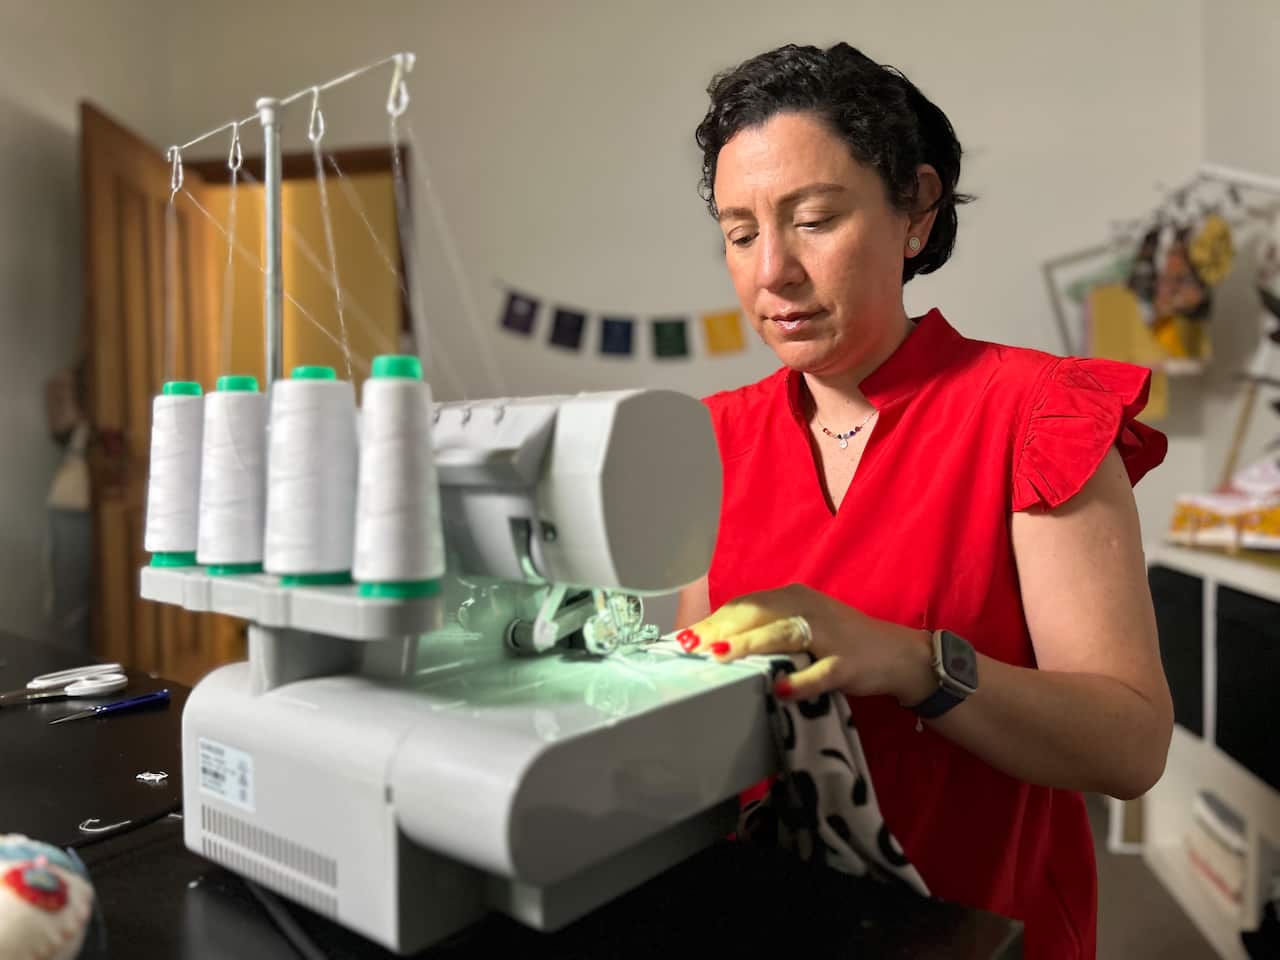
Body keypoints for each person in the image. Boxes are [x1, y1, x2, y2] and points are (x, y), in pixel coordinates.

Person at [675, 42, 1173, 960]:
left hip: (982, 929)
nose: (772, 270)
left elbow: (1129, 745)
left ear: (916, 210)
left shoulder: (1034, 413)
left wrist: (913, 661)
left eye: (814, 219)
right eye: (741, 234)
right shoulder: (708, 440)